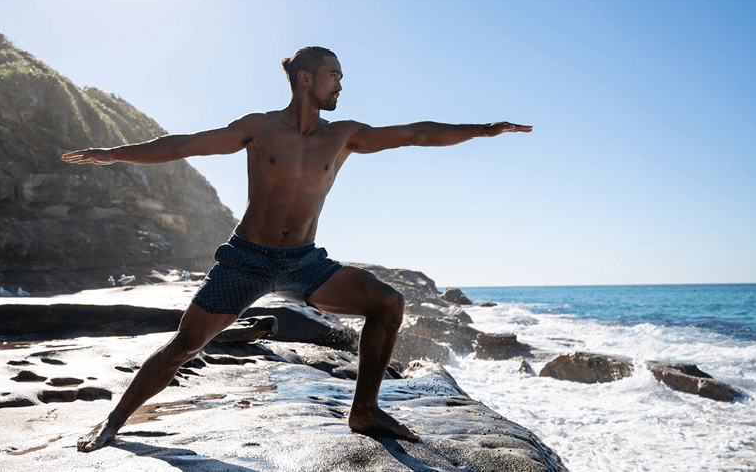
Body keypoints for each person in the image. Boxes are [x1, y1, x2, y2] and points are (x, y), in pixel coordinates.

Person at [62, 46, 531, 452]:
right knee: (184, 345)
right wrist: (113, 153)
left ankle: (364, 411)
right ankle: (113, 421)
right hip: (246, 259)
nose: (341, 85)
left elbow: (414, 133)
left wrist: (483, 129)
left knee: (388, 303)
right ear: (306, 79)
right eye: (335, 76)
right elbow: (184, 144)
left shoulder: (342, 135)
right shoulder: (258, 128)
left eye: (342, 78)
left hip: (305, 263)